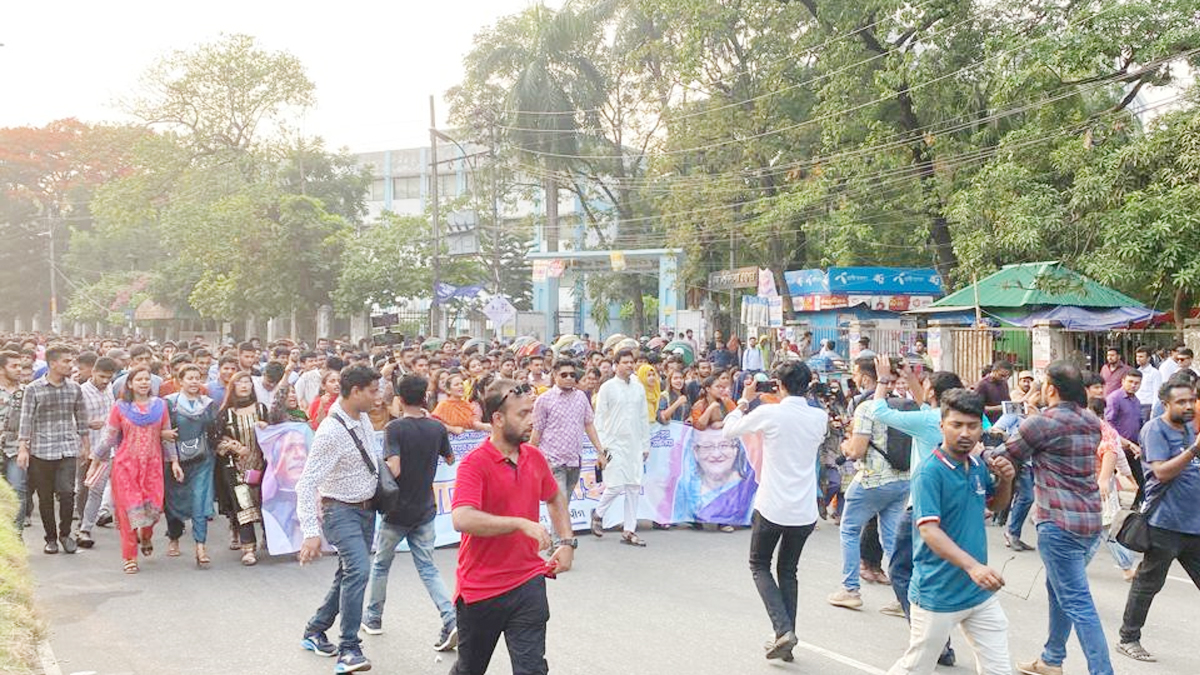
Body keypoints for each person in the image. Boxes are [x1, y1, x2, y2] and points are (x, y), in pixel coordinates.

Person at [448, 378, 575, 675]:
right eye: (523, 414)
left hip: (528, 580)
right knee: (470, 669)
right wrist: (519, 524)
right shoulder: (474, 464)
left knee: (532, 670)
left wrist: (567, 543)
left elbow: (555, 497)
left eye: (531, 412)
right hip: (481, 589)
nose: (531, 420)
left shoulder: (534, 457)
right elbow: (462, 518)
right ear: (497, 419)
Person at [887, 389, 1015, 675]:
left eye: (972, 426)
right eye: (957, 425)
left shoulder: (979, 464)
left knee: (1000, 669)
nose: (965, 433)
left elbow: (994, 506)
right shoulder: (930, 472)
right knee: (916, 667)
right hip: (937, 593)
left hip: (977, 594)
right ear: (941, 425)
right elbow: (930, 531)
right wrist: (974, 567)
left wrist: (1007, 480)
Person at [996, 361, 1113, 675]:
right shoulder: (1090, 419)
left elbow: (1006, 455)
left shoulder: (1041, 424)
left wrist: (980, 451)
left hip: (1058, 524)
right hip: (1089, 521)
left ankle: (1102, 671)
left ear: (1051, 388)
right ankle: (1051, 659)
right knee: (1060, 589)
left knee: (1077, 602)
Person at [720, 361, 825, 661]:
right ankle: (786, 636)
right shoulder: (819, 417)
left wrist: (744, 400)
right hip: (804, 509)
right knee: (788, 572)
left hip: (772, 505)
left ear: (779, 385)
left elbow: (730, 430)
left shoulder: (770, 412)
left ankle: (783, 630)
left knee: (759, 565)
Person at [296, 365, 383, 674]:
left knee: (347, 574)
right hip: (340, 511)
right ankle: (349, 648)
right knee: (359, 570)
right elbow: (306, 484)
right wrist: (310, 531)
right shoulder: (331, 432)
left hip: (366, 510)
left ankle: (315, 630)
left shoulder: (363, 420)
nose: (378, 396)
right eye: (372, 391)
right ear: (355, 391)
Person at [361, 374, 459, 650]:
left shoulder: (395, 429)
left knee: (381, 564)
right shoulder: (436, 428)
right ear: (425, 397)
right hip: (425, 507)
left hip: (397, 509)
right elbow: (449, 458)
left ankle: (374, 617)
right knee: (428, 567)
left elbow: (395, 468)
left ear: (400, 399)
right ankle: (450, 618)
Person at [1115, 380, 1200, 663]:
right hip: (1165, 523)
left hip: (1194, 523)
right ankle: (1128, 638)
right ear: (1167, 404)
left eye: (1191, 400)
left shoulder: (1188, 428)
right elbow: (1162, 473)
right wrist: (1194, 450)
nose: (1188, 406)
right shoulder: (1154, 430)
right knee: (1149, 583)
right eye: (1181, 402)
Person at [828, 356, 910, 610]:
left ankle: (850, 589)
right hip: (901, 481)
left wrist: (846, 446)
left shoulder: (866, 409)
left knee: (850, 530)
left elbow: (857, 449)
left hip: (872, 480)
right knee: (891, 538)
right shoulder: (908, 406)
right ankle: (904, 595)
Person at [89, 366, 180, 573]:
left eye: (147, 379)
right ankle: (129, 556)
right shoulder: (121, 407)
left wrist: (174, 461)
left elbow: (168, 435)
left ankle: (146, 535)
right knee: (128, 511)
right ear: (129, 384)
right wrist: (95, 457)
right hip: (126, 466)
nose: (144, 382)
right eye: (139, 379)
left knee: (154, 510)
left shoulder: (160, 406)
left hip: (153, 466)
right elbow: (109, 437)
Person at [17, 345, 91, 555]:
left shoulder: (75, 388)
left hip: (67, 447)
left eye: (71, 361)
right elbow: (26, 419)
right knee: (45, 496)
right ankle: (50, 538)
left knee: (68, 493)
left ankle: (65, 534)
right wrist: (23, 447)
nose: (70, 365)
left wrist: (86, 445)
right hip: (41, 449)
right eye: (66, 361)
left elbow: (82, 417)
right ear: (52, 363)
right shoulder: (33, 388)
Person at [591, 349, 651, 546]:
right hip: (612, 443)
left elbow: (643, 417)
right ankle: (598, 514)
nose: (629, 365)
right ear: (616, 364)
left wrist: (645, 444)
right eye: (625, 362)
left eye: (631, 362)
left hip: (634, 443)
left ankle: (629, 530)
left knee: (634, 486)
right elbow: (599, 418)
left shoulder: (638, 388)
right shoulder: (607, 388)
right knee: (615, 485)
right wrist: (601, 447)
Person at [163, 364, 219, 567]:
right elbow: (165, 432)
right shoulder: (170, 404)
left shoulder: (208, 404)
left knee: (200, 500)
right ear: (180, 381)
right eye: (190, 378)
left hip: (202, 459)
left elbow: (214, 430)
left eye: (198, 377)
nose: (194, 381)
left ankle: (200, 546)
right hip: (175, 459)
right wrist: (172, 460)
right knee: (174, 499)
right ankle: (174, 537)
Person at [529, 359, 604, 507]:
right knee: (560, 503)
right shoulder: (544, 400)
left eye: (572, 374)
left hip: (575, 460)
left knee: (565, 504)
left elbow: (589, 424)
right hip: (553, 461)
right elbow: (536, 431)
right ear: (555, 375)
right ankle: (561, 531)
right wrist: (530, 458)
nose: (569, 378)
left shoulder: (581, 397)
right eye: (564, 375)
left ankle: (558, 530)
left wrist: (600, 451)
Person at [215, 371, 269, 565]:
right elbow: (216, 440)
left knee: (265, 502)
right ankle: (248, 548)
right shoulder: (226, 413)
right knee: (243, 504)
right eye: (240, 382)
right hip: (236, 467)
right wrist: (232, 446)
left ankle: (270, 539)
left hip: (262, 465)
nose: (245, 386)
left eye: (248, 382)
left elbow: (275, 436)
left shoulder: (262, 410)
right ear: (233, 387)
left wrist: (267, 429)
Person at [75, 357, 117, 549]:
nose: (105, 381)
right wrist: (88, 424)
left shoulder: (110, 389)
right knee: (84, 487)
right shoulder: (80, 392)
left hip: (108, 448)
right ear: (92, 372)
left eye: (109, 377)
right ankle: (81, 522)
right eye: (101, 376)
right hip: (86, 448)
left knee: (99, 489)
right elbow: (69, 420)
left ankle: (87, 526)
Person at [0, 350, 28, 532]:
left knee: (17, 490)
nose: (20, 370)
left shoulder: (27, 391)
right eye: (14, 366)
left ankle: (16, 534)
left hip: (16, 447)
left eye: (21, 366)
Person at [974, 360, 1012, 425]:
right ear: (994, 371)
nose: (1004, 379)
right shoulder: (982, 384)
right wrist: (999, 408)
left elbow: (1008, 401)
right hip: (988, 423)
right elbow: (977, 408)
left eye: (1007, 376)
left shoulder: (1004, 383)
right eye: (1001, 375)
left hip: (1004, 422)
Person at [1133, 346, 1162, 421]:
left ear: (1148, 358)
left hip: (1147, 406)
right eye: (1137, 356)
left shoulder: (1154, 373)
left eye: (1141, 357)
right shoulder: (1137, 372)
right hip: (1136, 405)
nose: (1138, 359)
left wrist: (1154, 410)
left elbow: (1157, 392)